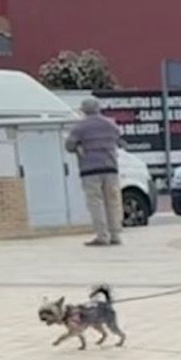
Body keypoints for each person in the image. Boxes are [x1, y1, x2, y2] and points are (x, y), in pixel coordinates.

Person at [65, 92, 127, 245]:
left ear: (84, 110)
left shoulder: (80, 127)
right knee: (112, 202)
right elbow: (119, 139)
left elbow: (69, 146)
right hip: (111, 167)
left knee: (96, 203)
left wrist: (79, 146)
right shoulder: (110, 124)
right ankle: (115, 234)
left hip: (90, 169)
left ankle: (102, 235)